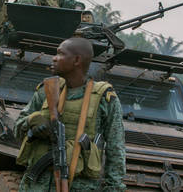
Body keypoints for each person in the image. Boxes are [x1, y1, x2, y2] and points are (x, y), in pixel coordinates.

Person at [14, 37, 126, 191]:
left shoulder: (104, 99)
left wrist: (114, 188)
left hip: (79, 186)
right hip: (37, 185)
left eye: (60, 54)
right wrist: (31, 122)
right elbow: (17, 128)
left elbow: (116, 149)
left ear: (77, 60)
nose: (54, 58)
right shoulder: (46, 91)